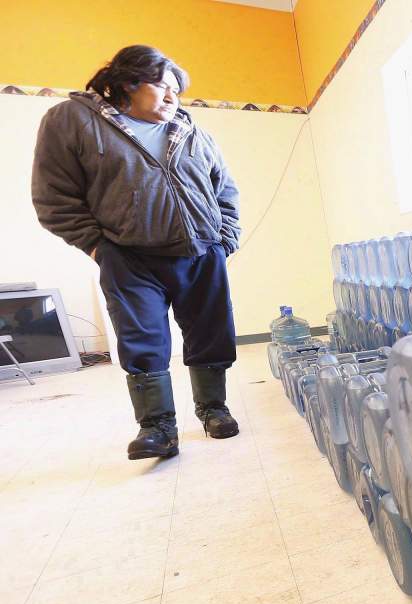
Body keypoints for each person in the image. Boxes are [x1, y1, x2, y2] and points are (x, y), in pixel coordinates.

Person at [31, 44, 241, 460]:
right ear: (127, 83)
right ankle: (159, 428)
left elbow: (225, 191)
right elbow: (53, 196)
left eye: (176, 91)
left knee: (211, 334)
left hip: (201, 253)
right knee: (142, 341)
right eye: (163, 87)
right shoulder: (72, 121)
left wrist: (225, 240)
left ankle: (214, 409)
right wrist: (97, 247)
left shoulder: (193, 132)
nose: (172, 98)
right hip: (129, 257)